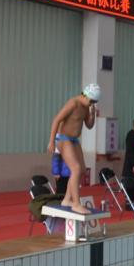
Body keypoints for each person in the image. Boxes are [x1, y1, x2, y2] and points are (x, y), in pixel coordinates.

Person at [47, 84, 100, 214]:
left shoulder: (86, 107)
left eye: (94, 102)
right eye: (91, 101)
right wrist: (51, 141)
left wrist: (92, 114)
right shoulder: (73, 103)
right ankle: (76, 203)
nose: (92, 104)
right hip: (63, 139)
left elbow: (89, 126)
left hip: (74, 140)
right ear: (85, 95)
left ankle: (67, 199)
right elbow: (56, 120)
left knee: (82, 169)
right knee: (75, 168)